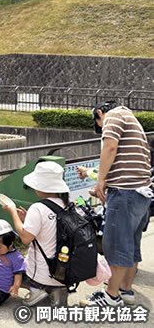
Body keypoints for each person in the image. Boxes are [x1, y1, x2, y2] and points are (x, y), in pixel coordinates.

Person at [80, 102, 152, 307]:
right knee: (131, 242)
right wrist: (104, 181)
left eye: (99, 125)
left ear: (100, 113)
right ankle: (125, 289)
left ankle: (111, 295)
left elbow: (110, 147)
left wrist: (101, 181)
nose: (103, 128)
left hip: (125, 194)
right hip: (140, 193)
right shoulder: (132, 120)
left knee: (117, 244)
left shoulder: (112, 117)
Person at [2, 161, 71, 306]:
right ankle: (56, 290)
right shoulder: (66, 205)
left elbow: (25, 238)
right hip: (63, 270)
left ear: (41, 186)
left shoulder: (38, 208)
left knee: (5, 270)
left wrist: (13, 212)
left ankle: (37, 289)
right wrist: (27, 220)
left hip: (42, 273)